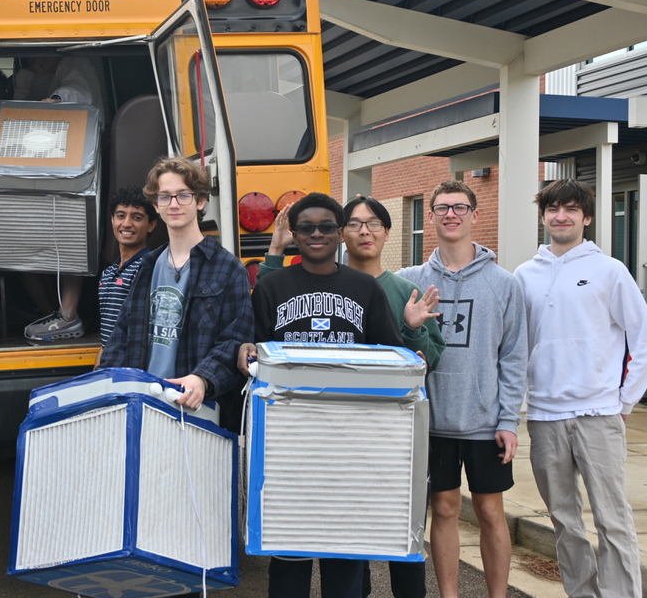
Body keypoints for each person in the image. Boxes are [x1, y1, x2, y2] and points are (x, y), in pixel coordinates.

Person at [240, 192, 404, 598]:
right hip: (288, 443)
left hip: (351, 443)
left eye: (327, 226)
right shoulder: (271, 287)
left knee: (344, 556)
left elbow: (392, 354)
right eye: (307, 227)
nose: (317, 234)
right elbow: (251, 349)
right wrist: (242, 352)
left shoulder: (364, 289)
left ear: (340, 233)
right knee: (289, 555)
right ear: (293, 234)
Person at [514, 179, 647, 598]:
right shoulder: (524, 275)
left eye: (571, 209)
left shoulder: (609, 270)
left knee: (612, 519)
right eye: (553, 209)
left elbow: (643, 336)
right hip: (543, 417)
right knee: (565, 522)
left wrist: (626, 399)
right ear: (543, 216)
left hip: (598, 414)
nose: (561, 216)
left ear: (586, 218)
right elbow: (517, 346)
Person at [397, 180, 527, 598]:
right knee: (445, 509)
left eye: (459, 207)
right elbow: (396, 347)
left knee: (491, 511)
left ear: (475, 214)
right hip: (434, 422)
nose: (450, 214)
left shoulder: (504, 283)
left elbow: (513, 357)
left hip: (485, 421)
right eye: (441, 208)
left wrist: (509, 419)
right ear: (430, 216)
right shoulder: (411, 281)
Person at [99, 156, 252, 419]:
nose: (173, 204)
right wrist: (108, 385)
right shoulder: (146, 267)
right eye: (165, 197)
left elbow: (234, 340)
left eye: (183, 195)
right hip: (142, 402)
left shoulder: (227, 268)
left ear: (201, 201)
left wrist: (203, 379)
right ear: (155, 206)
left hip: (196, 407)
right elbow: (121, 335)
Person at [22, 55, 107, 342]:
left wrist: (55, 101)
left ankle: (67, 315)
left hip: (80, 161)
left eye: (36, 58)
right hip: (67, 162)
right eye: (30, 63)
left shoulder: (74, 61)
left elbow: (77, 91)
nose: (37, 64)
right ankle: (59, 314)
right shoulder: (49, 73)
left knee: (73, 233)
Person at [98, 186, 158, 348]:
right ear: (112, 220)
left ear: (151, 225)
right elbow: (108, 333)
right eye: (120, 216)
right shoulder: (107, 273)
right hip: (109, 361)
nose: (126, 223)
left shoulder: (149, 268)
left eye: (136, 218)